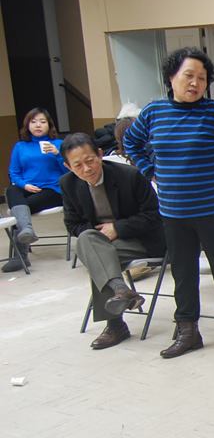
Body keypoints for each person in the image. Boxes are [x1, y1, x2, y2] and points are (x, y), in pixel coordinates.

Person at [124, 47, 214, 362]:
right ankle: (188, 332)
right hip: (173, 211)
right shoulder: (154, 112)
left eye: (202, 78)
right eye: (189, 75)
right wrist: (148, 170)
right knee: (183, 273)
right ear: (171, 77)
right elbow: (131, 141)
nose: (195, 83)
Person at [59, 133, 165, 349]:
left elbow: (154, 215)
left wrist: (117, 228)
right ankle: (120, 289)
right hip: (103, 243)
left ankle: (115, 325)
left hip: (142, 240)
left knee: (96, 256)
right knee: (92, 245)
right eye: (78, 165)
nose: (86, 169)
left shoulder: (129, 176)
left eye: (90, 161)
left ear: (100, 154)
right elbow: (73, 225)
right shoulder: (68, 184)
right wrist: (100, 236)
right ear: (68, 166)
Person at [3, 108, 64, 273]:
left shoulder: (58, 144)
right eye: (34, 122)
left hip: (53, 189)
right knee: (11, 190)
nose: (38, 125)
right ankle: (27, 230)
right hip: (28, 187)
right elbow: (14, 172)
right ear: (27, 125)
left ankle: (20, 257)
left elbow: (70, 171)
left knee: (19, 209)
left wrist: (58, 154)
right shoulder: (20, 146)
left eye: (42, 122)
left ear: (49, 125)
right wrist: (24, 185)